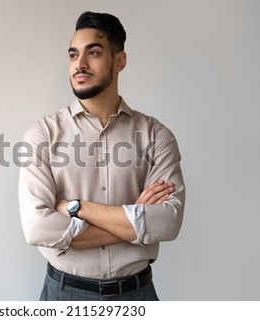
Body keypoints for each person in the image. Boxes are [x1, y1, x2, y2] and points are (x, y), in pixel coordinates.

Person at [18, 11, 185, 301]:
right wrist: (134, 217)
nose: (79, 65)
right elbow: (37, 228)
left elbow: (168, 222)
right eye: (73, 55)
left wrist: (75, 207)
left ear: (119, 61)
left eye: (93, 52)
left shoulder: (156, 136)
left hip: (136, 295)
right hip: (64, 295)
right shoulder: (42, 135)